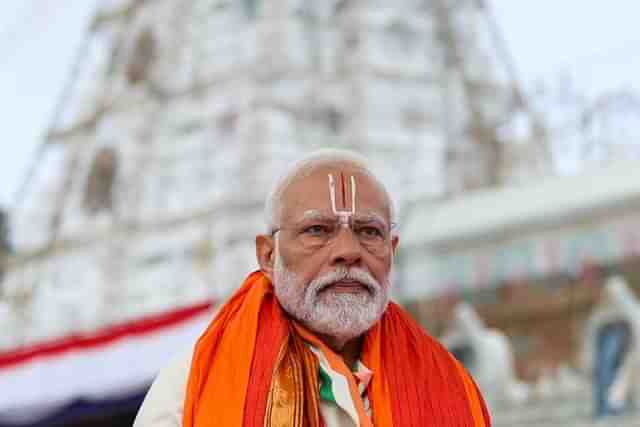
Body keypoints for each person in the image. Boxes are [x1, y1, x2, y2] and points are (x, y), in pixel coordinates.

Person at [134, 149, 490, 427]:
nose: (348, 252)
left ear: (391, 252)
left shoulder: (447, 382)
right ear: (268, 255)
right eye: (318, 230)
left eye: (369, 232)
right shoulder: (193, 385)